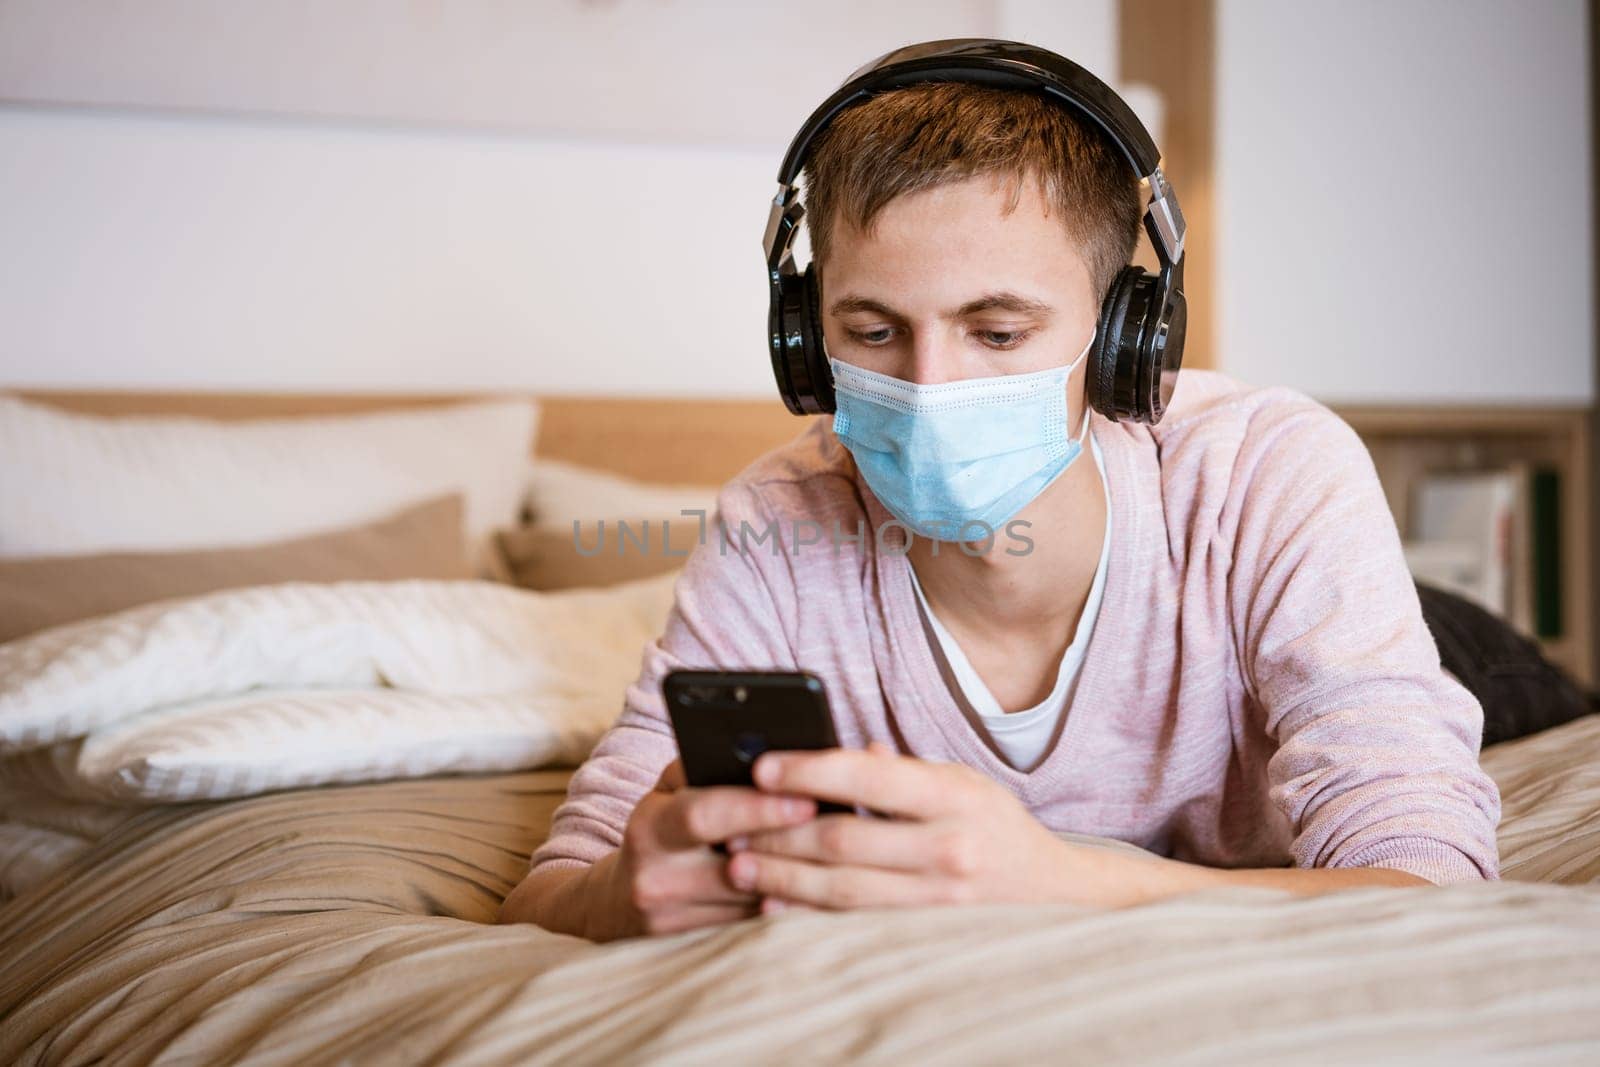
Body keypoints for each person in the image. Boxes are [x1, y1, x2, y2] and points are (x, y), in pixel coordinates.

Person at [498, 40, 1500, 941]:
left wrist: (1058, 878)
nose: (930, 389)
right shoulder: (774, 520)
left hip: (1445, 648)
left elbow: (1426, 884)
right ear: (805, 344)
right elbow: (551, 892)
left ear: (1122, 340)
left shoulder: (1271, 471)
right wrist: (623, 892)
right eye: (874, 331)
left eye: (998, 332)